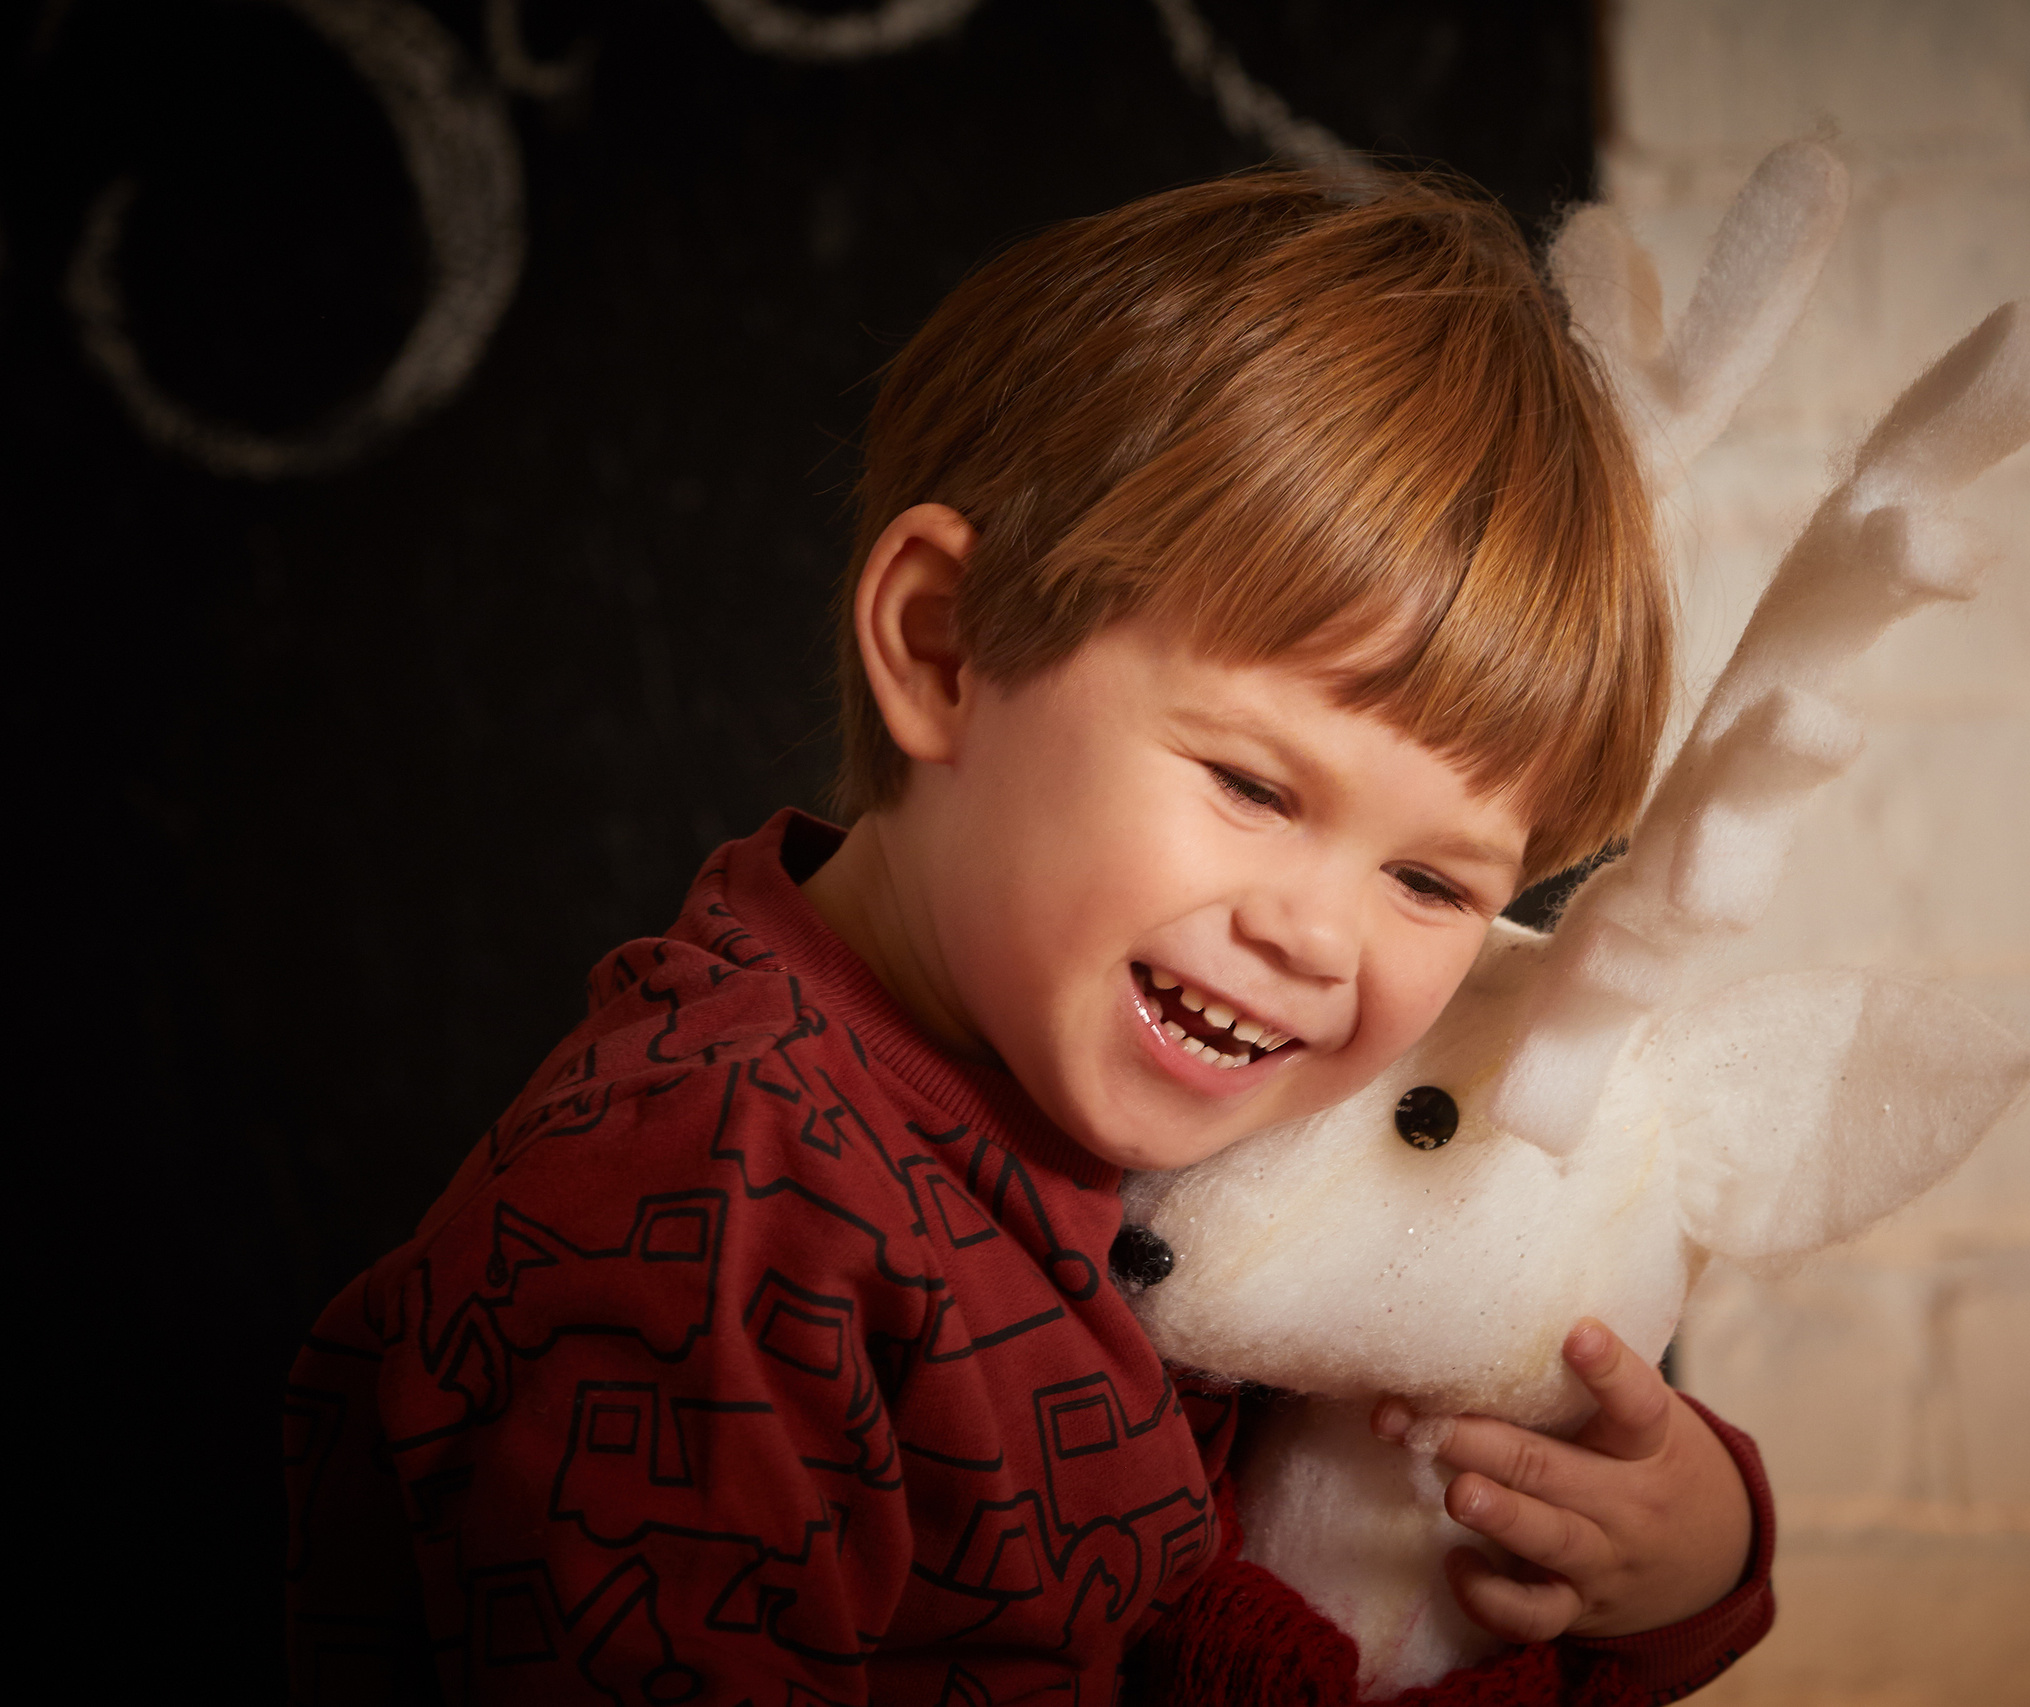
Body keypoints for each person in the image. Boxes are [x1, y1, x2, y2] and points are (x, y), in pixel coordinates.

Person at [284, 167, 1774, 1706]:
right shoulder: (718, 1216)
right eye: (1255, 785)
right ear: (945, 644)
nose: (1320, 938)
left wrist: (1689, 1550)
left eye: (1436, 884)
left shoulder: (1160, 1072)